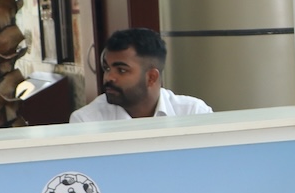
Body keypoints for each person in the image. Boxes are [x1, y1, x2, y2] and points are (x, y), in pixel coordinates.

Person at [70, 28, 213, 122]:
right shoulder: (88, 121)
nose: (108, 77)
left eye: (121, 70)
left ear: (151, 77)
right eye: (107, 68)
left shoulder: (193, 113)